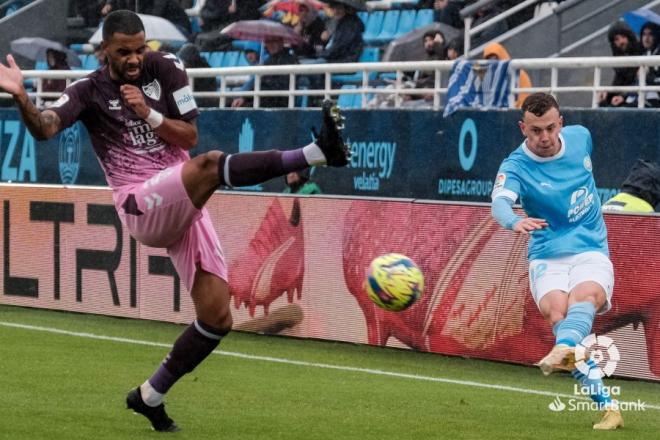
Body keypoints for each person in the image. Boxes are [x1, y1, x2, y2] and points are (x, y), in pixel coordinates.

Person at [0, 10, 349, 432]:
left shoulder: (167, 69)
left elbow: (189, 137)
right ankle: (315, 153)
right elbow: (45, 128)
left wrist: (148, 113)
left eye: (139, 48)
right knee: (211, 166)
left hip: (181, 197)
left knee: (218, 318)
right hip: (139, 203)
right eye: (123, 52)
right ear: (104, 51)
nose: (134, 58)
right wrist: (21, 97)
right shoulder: (87, 91)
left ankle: (150, 396)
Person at [490, 93, 623, 430]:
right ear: (523, 128)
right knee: (557, 313)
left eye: (550, 128)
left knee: (585, 298)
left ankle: (563, 347)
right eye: (536, 131)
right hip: (547, 251)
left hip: (590, 245)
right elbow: (500, 204)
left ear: (561, 122)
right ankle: (609, 408)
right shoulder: (515, 166)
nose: (545, 137)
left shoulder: (581, 138)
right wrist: (513, 221)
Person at [231, 37, 299, 108]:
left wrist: (245, 96)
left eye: (273, 41)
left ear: (281, 42)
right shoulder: (268, 61)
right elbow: (257, 82)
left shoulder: (291, 60)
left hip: (277, 100)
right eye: (268, 42)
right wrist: (243, 97)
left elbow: (279, 86)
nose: (270, 45)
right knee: (232, 104)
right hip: (263, 97)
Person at [599, 21, 642, 108]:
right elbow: (618, 82)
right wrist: (607, 94)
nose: (621, 41)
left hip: (639, 98)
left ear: (629, 37)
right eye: (616, 39)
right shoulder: (620, 61)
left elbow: (640, 81)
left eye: (623, 37)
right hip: (628, 97)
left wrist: (623, 96)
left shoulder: (642, 52)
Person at [483, 42, 531, 109]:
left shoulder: (519, 75)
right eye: (489, 59)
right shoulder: (486, 77)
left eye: (496, 58)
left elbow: (524, 98)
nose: (493, 62)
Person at [176, 43, 218, 108]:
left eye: (183, 60)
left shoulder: (204, 69)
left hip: (205, 101)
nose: (182, 63)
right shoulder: (184, 69)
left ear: (189, 59)